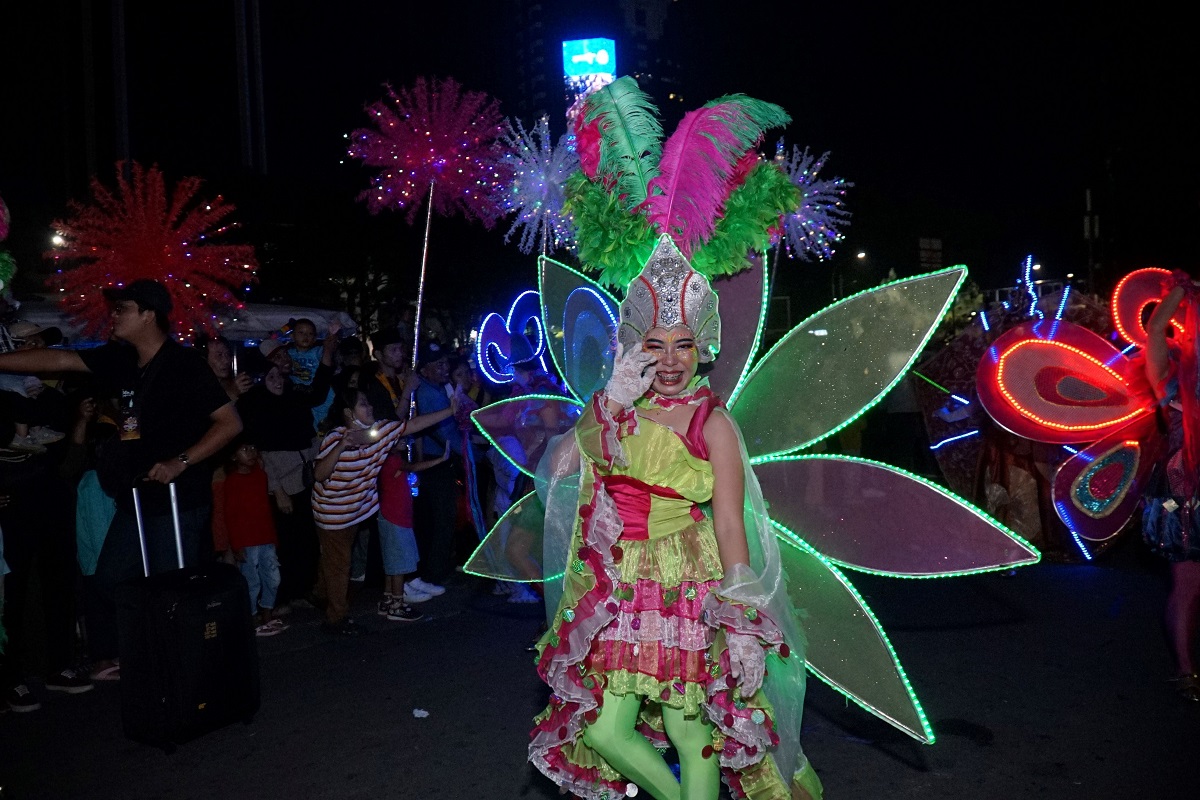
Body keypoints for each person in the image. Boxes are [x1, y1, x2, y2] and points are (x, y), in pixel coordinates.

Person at [528, 238, 819, 800]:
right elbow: (560, 468)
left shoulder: (712, 422)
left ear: (702, 347)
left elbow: (730, 524)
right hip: (619, 581)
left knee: (692, 732)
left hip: (687, 579)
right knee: (604, 728)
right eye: (655, 345)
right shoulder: (619, 407)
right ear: (635, 347)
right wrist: (610, 399)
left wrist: (741, 621)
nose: (669, 360)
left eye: (683, 345)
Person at [0, 279, 242, 681]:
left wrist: (180, 461)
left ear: (148, 315)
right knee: (110, 579)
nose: (113, 316)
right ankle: (151, 655)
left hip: (178, 500)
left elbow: (230, 423)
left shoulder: (183, 365)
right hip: (138, 497)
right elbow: (61, 362)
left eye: (122, 309)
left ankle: (188, 677)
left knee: (172, 591)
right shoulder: (124, 360)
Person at [310, 383, 456, 635]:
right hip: (331, 513)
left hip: (356, 511)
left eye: (369, 402)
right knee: (339, 564)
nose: (370, 407)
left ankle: (320, 593)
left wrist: (449, 411)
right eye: (363, 404)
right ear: (348, 412)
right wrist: (342, 446)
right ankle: (336, 619)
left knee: (334, 560)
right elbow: (320, 474)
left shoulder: (381, 431)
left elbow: (413, 424)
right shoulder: (335, 436)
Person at [236, 332, 337, 609]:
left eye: (279, 376)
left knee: (305, 538)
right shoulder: (254, 406)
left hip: (304, 477)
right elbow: (259, 453)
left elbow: (315, 399)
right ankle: (278, 598)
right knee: (285, 541)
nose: (279, 380)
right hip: (282, 482)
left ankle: (300, 589)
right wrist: (277, 489)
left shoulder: (292, 396)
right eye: (271, 377)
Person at [1142, 272, 1200, 701]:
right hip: (1185, 492)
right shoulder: (1166, 377)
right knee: (1187, 585)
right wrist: (1181, 291)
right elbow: (1155, 330)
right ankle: (1185, 669)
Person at [212, 439, 287, 637]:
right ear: (234, 456)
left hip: (265, 539)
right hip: (246, 541)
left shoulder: (261, 476)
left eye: (253, 447)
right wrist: (236, 545)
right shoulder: (231, 482)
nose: (251, 452)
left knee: (273, 578)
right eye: (245, 449)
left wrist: (273, 538)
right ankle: (251, 618)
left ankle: (267, 613)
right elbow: (230, 515)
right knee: (251, 582)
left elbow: (265, 511)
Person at [376, 440, 452, 620]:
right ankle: (397, 605)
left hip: (394, 516)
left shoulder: (389, 459)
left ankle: (388, 600)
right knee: (399, 563)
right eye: (398, 438)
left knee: (393, 562)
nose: (404, 441)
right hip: (395, 517)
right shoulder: (392, 459)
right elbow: (414, 466)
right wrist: (440, 459)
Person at [287, 318, 335, 428]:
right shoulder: (288, 354)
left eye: (310, 334)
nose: (306, 336)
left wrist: (332, 336)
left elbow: (327, 353)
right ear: (292, 336)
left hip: (319, 390)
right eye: (301, 332)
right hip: (300, 392)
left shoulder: (316, 351)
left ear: (314, 339)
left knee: (322, 415)